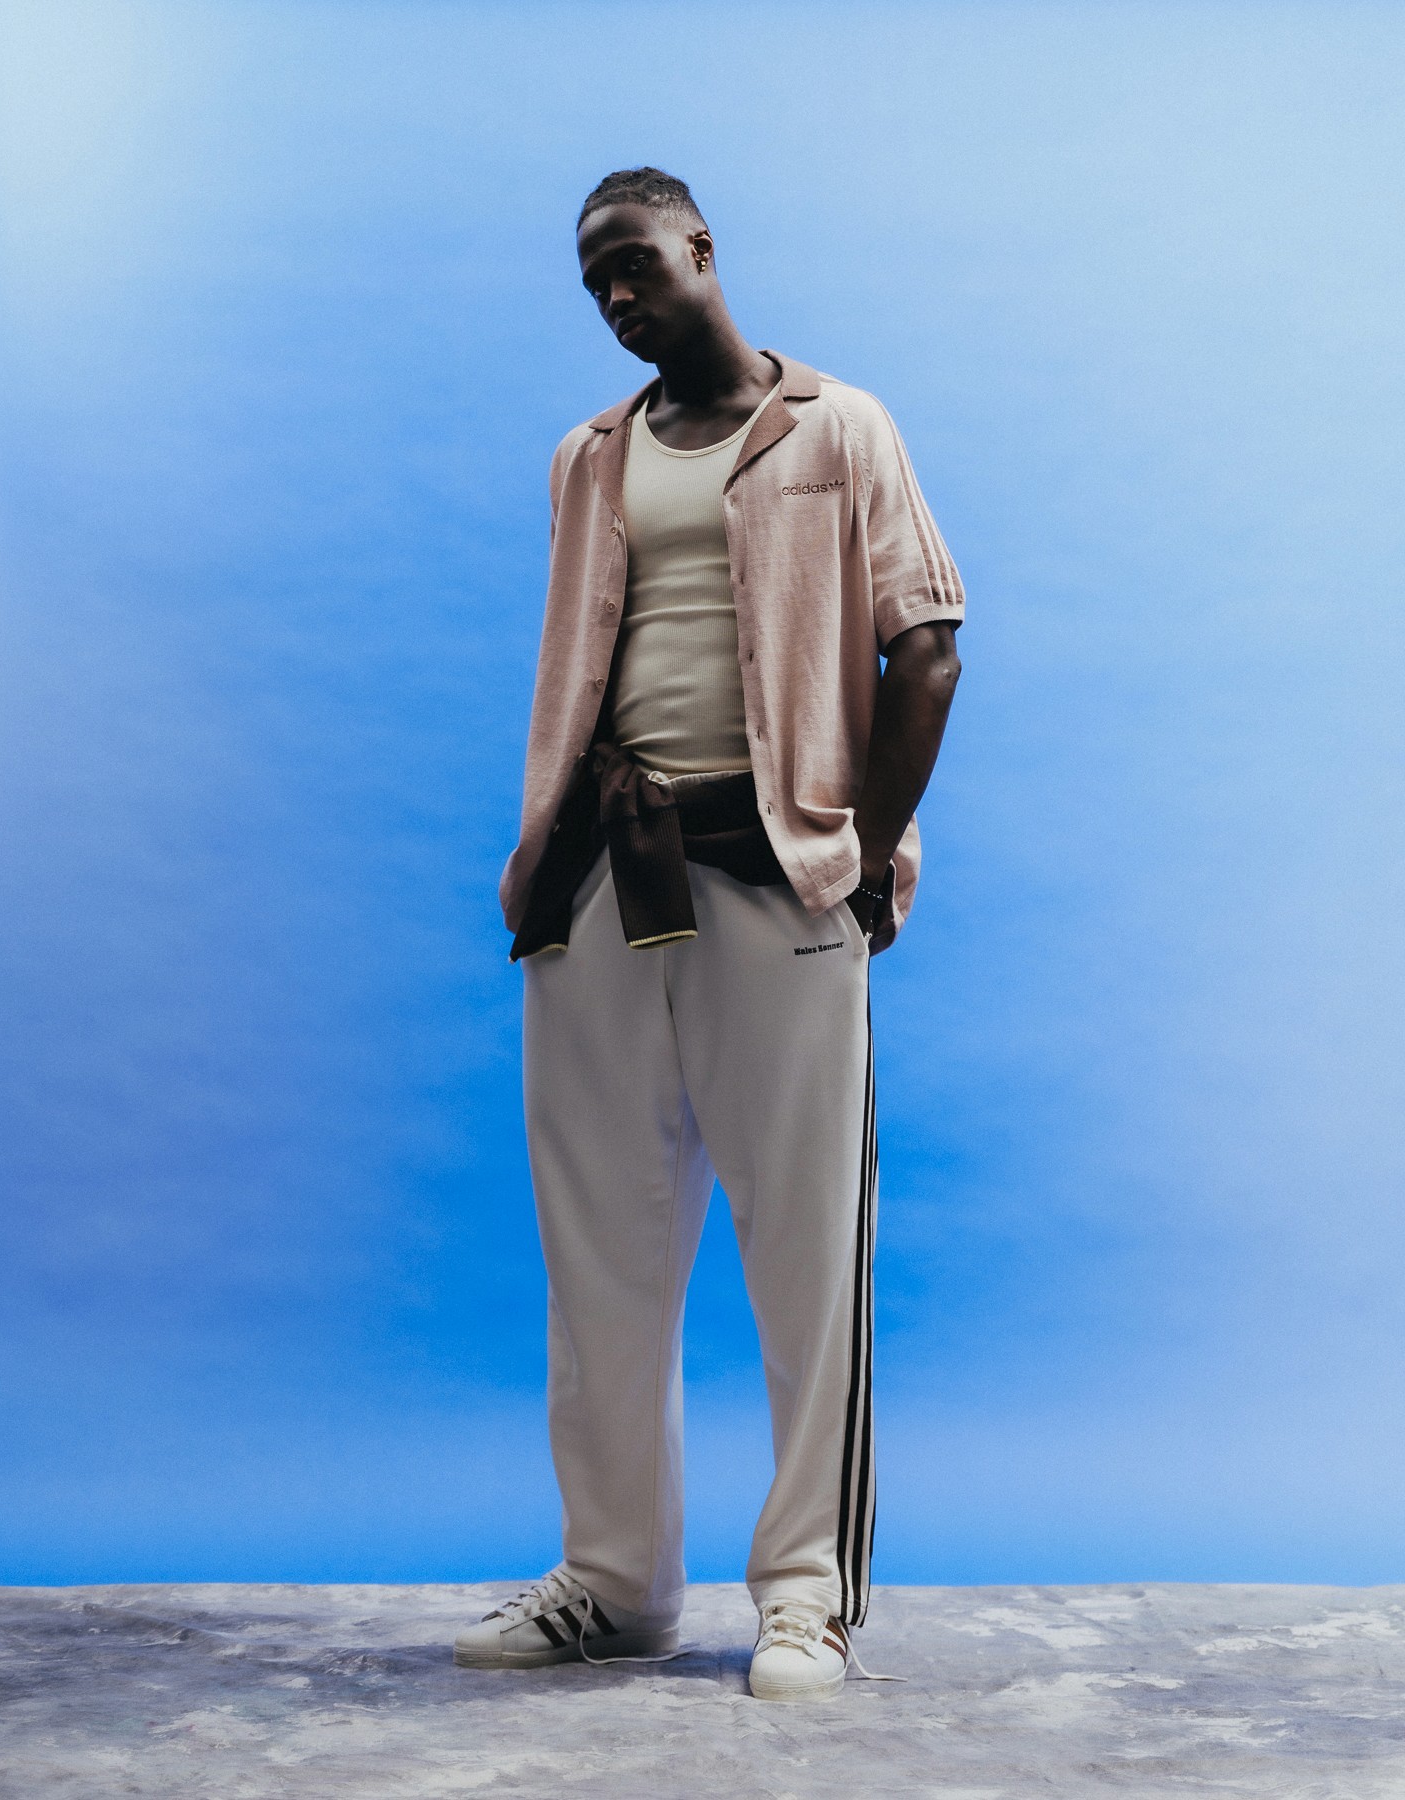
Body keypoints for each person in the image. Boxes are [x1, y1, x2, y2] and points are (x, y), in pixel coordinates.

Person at [453, 167, 964, 1702]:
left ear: (700, 248)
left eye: (635, 263)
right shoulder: (587, 458)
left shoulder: (838, 428)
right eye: (593, 283)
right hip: (599, 885)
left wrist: (859, 857)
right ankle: (615, 1586)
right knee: (600, 1255)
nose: (618, 298)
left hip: (776, 872)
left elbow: (929, 647)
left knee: (808, 1258)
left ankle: (806, 1596)